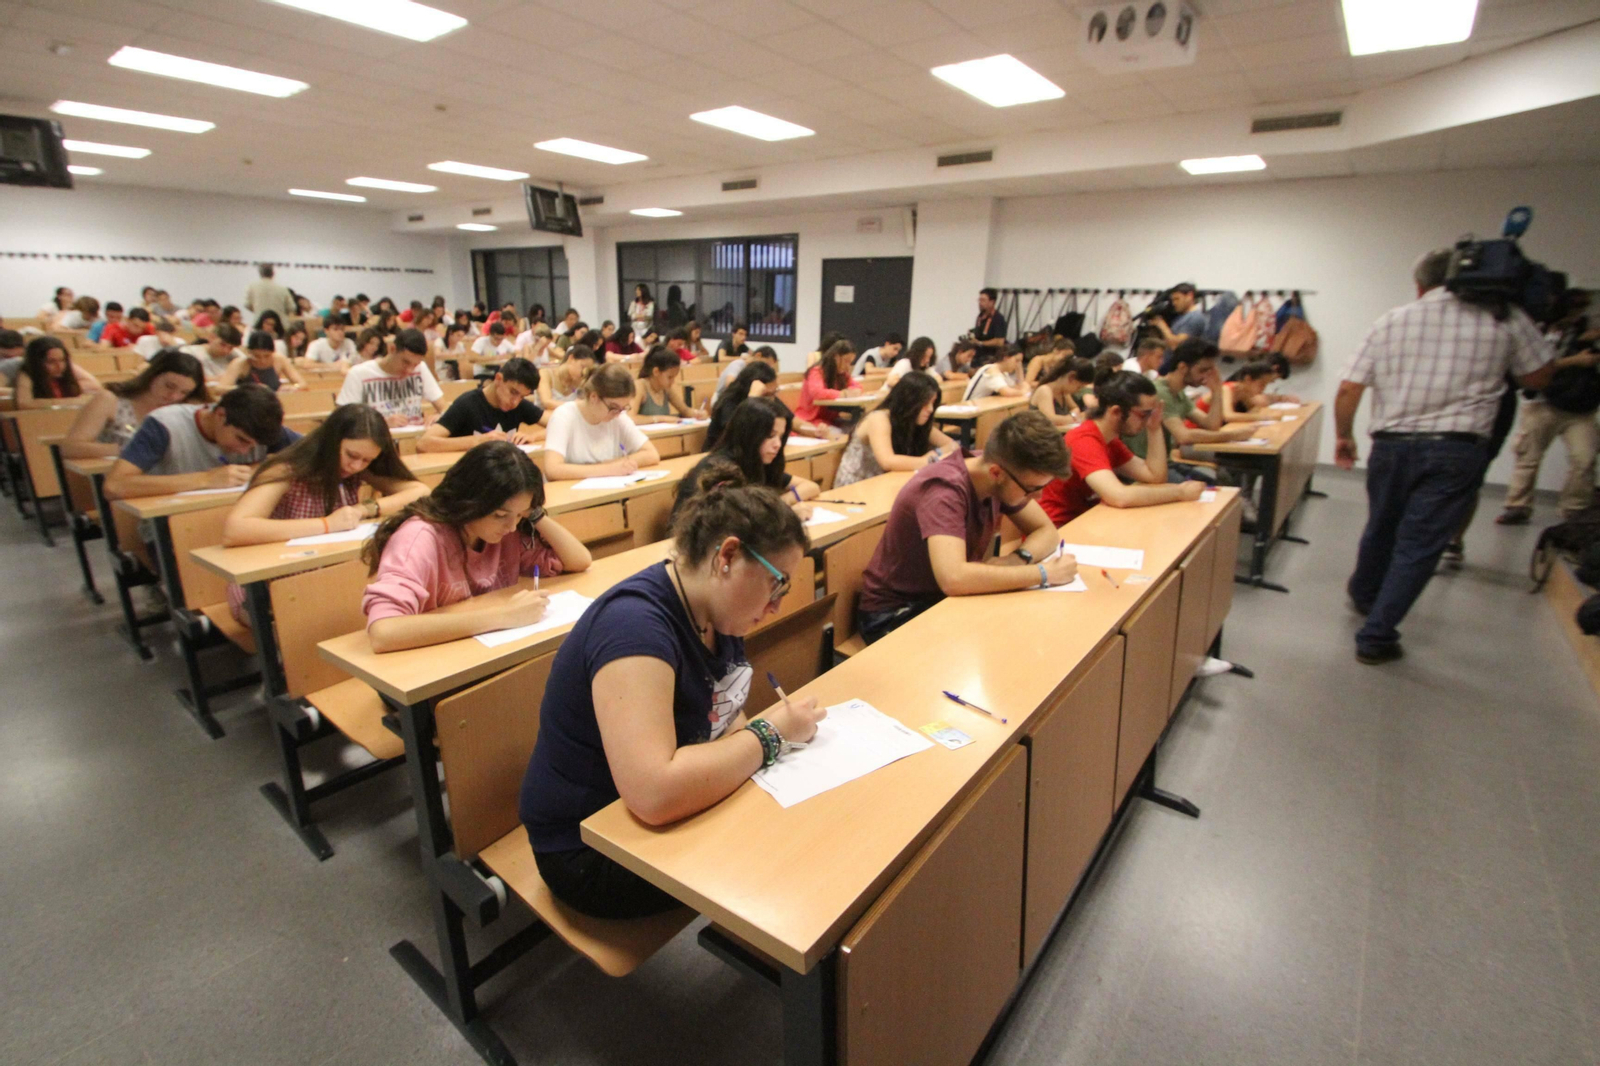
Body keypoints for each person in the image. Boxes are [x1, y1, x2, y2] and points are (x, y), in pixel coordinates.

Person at [518, 473, 821, 918]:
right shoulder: (634, 628)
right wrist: (770, 735)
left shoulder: (718, 610)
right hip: (588, 844)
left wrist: (754, 742)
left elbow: (724, 716)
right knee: (787, 855)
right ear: (728, 557)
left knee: (801, 826)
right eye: (777, 583)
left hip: (651, 811)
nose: (777, 604)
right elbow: (653, 793)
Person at [1335, 247, 1554, 665]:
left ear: (1419, 285)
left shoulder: (1392, 320)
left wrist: (1344, 436)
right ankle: (1376, 635)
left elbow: (1349, 388)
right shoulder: (1504, 316)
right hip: (1456, 447)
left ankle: (1365, 596)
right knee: (1419, 543)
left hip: (1391, 444)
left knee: (1380, 525)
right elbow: (1539, 376)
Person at [855, 411, 1079, 643]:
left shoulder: (998, 471)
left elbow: (1046, 531)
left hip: (942, 599)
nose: (1039, 496)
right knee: (1006, 638)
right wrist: (1043, 573)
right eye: (1032, 488)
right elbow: (954, 578)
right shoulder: (943, 490)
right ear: (996, 473)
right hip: (894, 613)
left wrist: (1018, 559)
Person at [361, 442, 593, 653]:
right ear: (470, 501)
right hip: (429, 662)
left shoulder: (502, 533)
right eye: (500, 515)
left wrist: (534, 513)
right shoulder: (419, 538)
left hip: (480, 652)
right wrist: (503, 616)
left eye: (520, 516)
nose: (512, 527)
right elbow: (384, 632)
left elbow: (579, 561)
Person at [222, 404, 428, 620]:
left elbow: (419, 491)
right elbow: (235, 529)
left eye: (367, 460)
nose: (356, 466)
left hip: (323, 581)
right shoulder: (286, 468)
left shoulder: (355, 469)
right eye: (351, 455)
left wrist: (366, 508)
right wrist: (327, 524)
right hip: (268, 588)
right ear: (332, 441)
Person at [1040, 370, 1200, 525]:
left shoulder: (1109, 440)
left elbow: (1155, 476)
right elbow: (1119, 496)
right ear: (1116, 411)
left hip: (1088, 521)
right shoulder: (1083, 440)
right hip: (1062, 530)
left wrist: (1154, 428)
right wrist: (1180, 492)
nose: (1147, 420)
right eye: (1144, 414)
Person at [1497, 294, 1599, 525]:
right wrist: (1576, 359)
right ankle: (1517, 506)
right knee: (1528, 457)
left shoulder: (1588, 334)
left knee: (1585, 459)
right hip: (1543, 403)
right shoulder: (1540, 330)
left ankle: (1575, 508)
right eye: (1576, 308)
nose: (1579, 314)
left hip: (1581, 407)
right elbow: (1537, 368)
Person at [104, 385, 293, 500]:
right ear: (220, 415)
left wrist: (257, 469)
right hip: (171, 527)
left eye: (252, 446)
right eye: (241, 440)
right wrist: (206, 479)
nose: (244, 452)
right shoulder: (164, 425)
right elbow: (114, 486)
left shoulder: (261, 427)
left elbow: (315, 453)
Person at [1124, 339, 1255, 475]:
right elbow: (1184, 436)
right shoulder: (1161, 392)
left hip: (1165, 463)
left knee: (1218, 481)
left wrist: (1217, 391)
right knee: (1216, 480)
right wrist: (1232, 436)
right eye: (1203, 370)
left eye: (1210, 370)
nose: (1207, 376)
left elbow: (1211, 425)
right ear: (1182, 368)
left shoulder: (1178, 393)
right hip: (1145, 466)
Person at [674, 398, 818, 520]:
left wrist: (782, 503)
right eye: (770, 435)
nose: (778, 445)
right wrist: (785, 513)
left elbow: (811, 487)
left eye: (781, 437)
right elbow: (735, 524)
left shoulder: (758, 460)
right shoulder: (719, 469)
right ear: (750, 434)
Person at [61, 349, 206, 459]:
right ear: (153, 375)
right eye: (169, 386)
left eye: (184, 392)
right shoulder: (110, 400)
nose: (174, 396)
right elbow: (71, 447)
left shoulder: (185, 409)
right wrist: (130, 448)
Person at [541, 363, 662, 481]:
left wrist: (616, 464)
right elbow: (552, 469)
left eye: (624, 408)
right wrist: (608, 469)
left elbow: (651, 454)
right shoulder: (564, 415)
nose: (618, 414)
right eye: (613, 408)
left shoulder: (618, 416)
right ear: (594, 397)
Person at [835, 373, 956, 487]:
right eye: (925, 403)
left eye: (933, 403)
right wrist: (927, 460)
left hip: (885, 484)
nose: (930, 409)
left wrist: (936, 455)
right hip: (856, 488)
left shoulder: (914, 421)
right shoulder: (879, 418)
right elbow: (887, 461)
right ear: (910, 401)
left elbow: (952, 445)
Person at [418, 358, 548, 453]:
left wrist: (533, 436)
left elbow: (560, 423)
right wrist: (478, 441)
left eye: (522, 397)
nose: (515, 401)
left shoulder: (519, 405)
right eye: (513, 392)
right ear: (498, 379)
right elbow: (424, 443)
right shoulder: (467, 403)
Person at [337, 328, 446, 427]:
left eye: (415, 365)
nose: (410, 370)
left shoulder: (421, 369)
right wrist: (383, 423)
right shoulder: (359, 374)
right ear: (392, 349)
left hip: (413, 441)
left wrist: (440, 417)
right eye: (405, 362)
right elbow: (343, 420)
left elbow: (444, 407)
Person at [705, 361, 779, 450]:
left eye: (774, 393)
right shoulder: (729, 403)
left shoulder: (770, 398)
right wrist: (752, 399)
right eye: (766, 394)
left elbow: (788, 418)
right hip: (721, 456)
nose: (772, 400)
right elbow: (738, 436)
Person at [15, 336, 102, 408]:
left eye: (62, 360)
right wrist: (71, 401)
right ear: (37, 363)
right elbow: (24, 403)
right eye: (51, 362)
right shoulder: (26, 375)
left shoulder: (65, 374)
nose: (59, 366)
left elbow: (95, 385)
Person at [794, 339, 863, 430]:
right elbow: (818, 393)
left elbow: (857, 386)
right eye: (846, 361)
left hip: (829, 419)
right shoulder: (817, 371)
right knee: (844, 433)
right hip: (812, 419)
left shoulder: (842, 374)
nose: (848, 366)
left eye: (850, 363)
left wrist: (855, 390)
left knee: (857, 429)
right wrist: (842, 394)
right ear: (836, 357)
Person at [631, 346, 704, 423]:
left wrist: (697, 413)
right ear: (656, 372)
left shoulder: (666, 388)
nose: (673, 382)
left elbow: (685, 410)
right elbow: (630, 418)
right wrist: (662, 419)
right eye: (669, 377)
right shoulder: (639, 386)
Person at [220, 330, 306, 392]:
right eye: (256, 356)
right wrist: (249, 389)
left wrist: (293, 387)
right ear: (249, 352)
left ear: (273, 352)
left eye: (267, 356)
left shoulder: (279, 360)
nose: (262, 360)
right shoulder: (240, 363)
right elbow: (220, 389)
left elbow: (302, 383)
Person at [1029, 355, 1094, 428]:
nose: (1078, 390)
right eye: (1079, 387)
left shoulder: (1064, 392)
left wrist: (1073, 415)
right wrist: (1073, 418)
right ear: (1071, 377)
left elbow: (1075, 408)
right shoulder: (1045, 390)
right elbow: (1050, 420)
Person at [711, 344, 777, 406]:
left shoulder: (755, 371)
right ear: (758, 356)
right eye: (766, 364)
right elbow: (730, 384)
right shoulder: (738, 364)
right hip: (723, 401)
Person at [537, 345, 596, 409]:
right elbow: (546, 402)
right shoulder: (546, 374)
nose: (583, 372)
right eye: (582, 367)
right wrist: (576, 406)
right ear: (571, 358)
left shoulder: (579, 381)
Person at [1152, 283, 1207, 349]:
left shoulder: (1195, 317)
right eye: (1173, 300)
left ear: (1190, 296)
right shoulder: (1180, 317)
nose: (1174, 303)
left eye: (1177, 299)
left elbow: (1177, 346)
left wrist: (1161, 324)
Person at [962, 344, 1026, 401]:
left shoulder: (1003, 372)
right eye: (1017, 361)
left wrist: (1019, 368)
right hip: (970, 407)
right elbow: (1007, 392)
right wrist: (1023, 392)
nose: (1017, 365)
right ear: (1006, 358)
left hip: (982, 406)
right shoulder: (991, 370)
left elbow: (1018, 387)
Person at [970, 288, 1008, 357]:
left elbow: (1000, 341)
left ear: (992, 302)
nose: (980, 303)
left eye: (983, 300)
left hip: (991, 357)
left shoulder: (998, 318)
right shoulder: (980, 316)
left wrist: (981, 343)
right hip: (977, 356)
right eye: (979, 300)